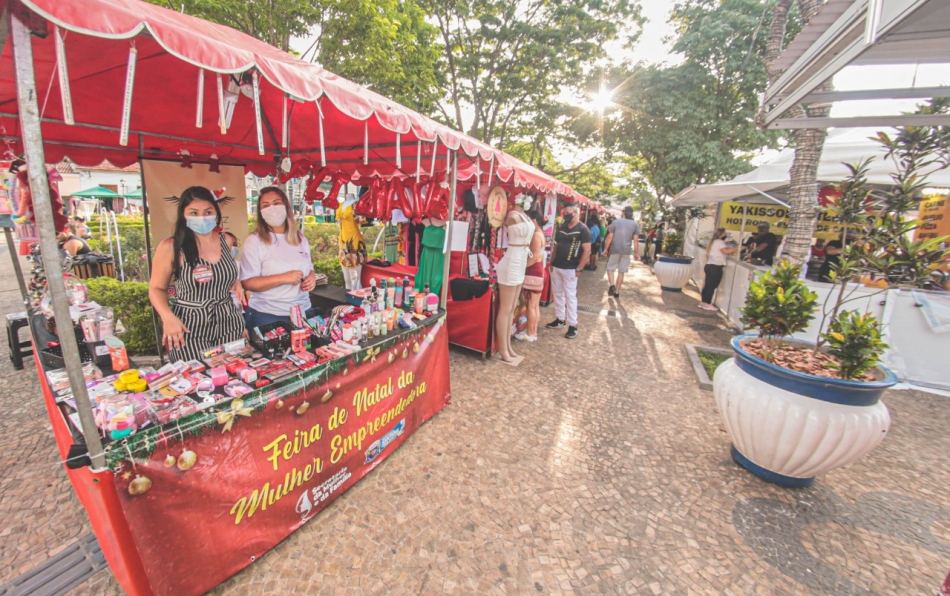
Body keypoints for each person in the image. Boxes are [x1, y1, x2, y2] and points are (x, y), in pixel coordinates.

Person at [148, 186, 246, 361]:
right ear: (183, 214)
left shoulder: (228, 241)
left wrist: (235, 280)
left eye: (208, 211)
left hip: (229, 321)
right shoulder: (171, 247)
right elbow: (156, 288)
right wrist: (167, 317)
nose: (202, 217)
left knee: (235, 377)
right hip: (190, 325)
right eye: (194, 213)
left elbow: (228, 269)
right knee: (198, 380)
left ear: (216, 212)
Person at [240, 186, 317, 330]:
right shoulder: (255, 241)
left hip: (304, 311)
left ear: (286, 206)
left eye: (276, 203)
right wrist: (283, 278)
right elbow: (248, 282)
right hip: (268, 316)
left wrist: (311, 278)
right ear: (260, 212)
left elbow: (309, 267)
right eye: (266, 205)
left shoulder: (300, 238)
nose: (272, 209)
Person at [494, 207, 534, 361]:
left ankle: (507, 345)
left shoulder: (525, 217)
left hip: (521, 260)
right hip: (511, 261)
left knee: (512, 308)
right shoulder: (513, 216)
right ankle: (503, 349)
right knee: (505, 308)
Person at [546, 203, 591, 339]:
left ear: (576, 213)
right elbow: (557, 246)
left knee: (570, 297)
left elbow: (587, 250)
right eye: (564, 213)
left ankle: (573, 325)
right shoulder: (563, 227)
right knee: (558, 294)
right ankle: (560, 319)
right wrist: (551, 262)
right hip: (557, 267)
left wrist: (579, 268)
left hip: (571, 268)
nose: (565, 215)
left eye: (568, 213)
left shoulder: (583, 229)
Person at [514, 209, 547, 343]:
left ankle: (530, 333)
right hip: (537, 272)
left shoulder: (535, 236)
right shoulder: (540, 234)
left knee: (531, 305)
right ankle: (533, 332)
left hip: (533, 271)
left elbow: (534, 257)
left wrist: (521, 267)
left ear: (534, 221)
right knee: (534, 305)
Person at [603, 206, 640, 298]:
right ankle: (617, 292)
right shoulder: (635, 224)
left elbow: (610, 237)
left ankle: (612, 285)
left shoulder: (616, 222)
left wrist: (605, 249)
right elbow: (636, 240)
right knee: (621, 272)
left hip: (615, 249)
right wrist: (636, 253)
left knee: (610, 268)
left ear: (623, 213)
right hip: (626, 251)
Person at [699, 228, 737, 311]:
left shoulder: (713, 242)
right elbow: (726, 251)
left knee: (708, 285)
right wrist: (738, 248)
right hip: (715, 266)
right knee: (711, 286)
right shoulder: (720, 242)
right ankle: (707, 303)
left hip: (710, 265)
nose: (726, 235)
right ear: (721, 234)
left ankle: (704, 302)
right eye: (724, 233)